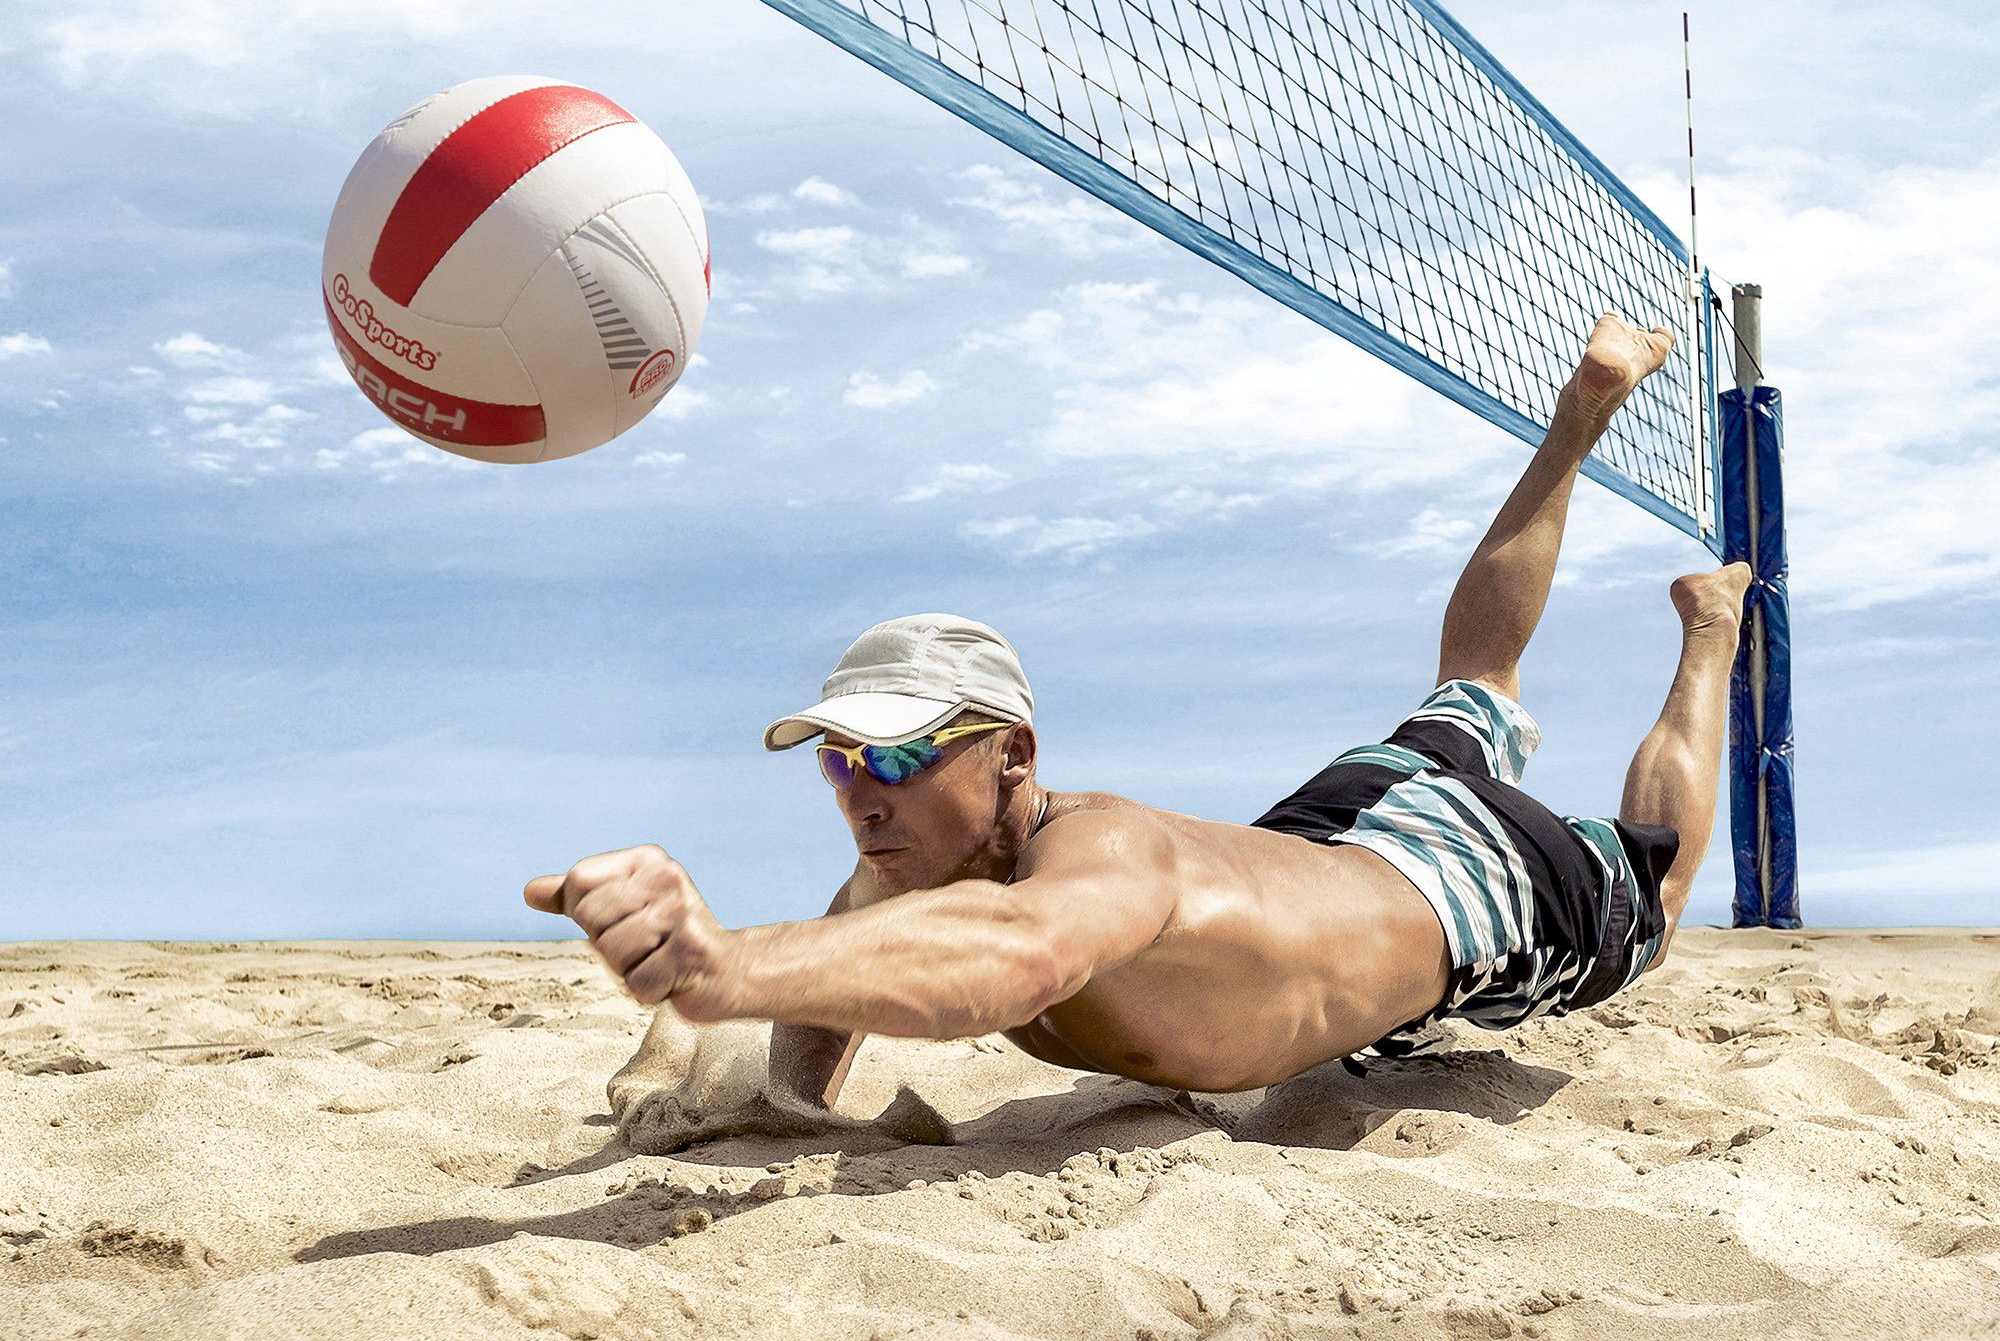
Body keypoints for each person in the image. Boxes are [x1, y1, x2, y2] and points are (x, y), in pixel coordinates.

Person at [526, 314, 1749, 1102]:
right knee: (1472, 682)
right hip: (1322, 839)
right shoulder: (903, 866)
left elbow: (1018, 957)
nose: (861, 789)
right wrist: (786, 1090)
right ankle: (1575, 420)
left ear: (1014, 752)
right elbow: (833, 973)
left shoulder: (1099, 857)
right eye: (838, 759)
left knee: (1661, 889)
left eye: (897, 752)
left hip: (1460, 888)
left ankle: (1707, 635)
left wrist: (723, 967)